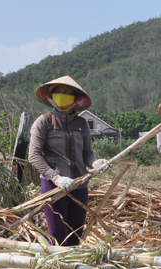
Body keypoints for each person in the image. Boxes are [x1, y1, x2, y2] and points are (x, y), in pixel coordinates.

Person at [29, 75, 102, 246]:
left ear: (76, 98)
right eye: (58, 92)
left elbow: (88, 154)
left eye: (66, 92)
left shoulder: (82, 124)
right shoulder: (45, 122)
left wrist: (95, 163)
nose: (61, 95)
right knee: (57, 234)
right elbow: (34, 155)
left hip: (79, 184)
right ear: (51, 97)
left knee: (76, 233)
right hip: (54, 186)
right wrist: (55, 177)